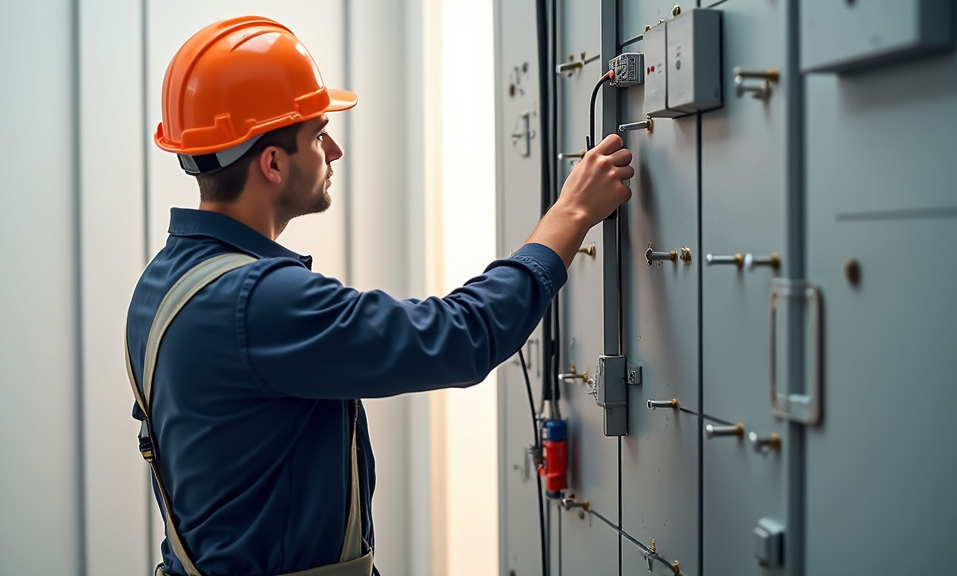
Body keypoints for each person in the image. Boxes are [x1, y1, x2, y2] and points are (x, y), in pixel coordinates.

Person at [125, 15, 634, 576]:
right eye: (318, 134)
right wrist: (570, 216)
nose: (334, 150)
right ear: (272, 163)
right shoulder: (258, 302)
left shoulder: (163, 284)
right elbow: (459, 337)